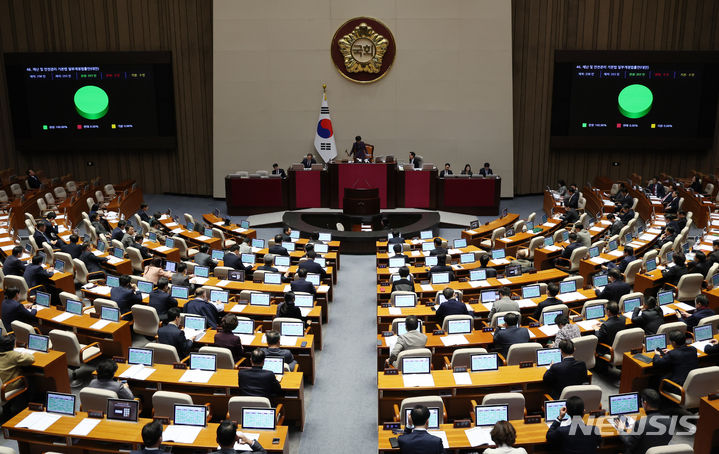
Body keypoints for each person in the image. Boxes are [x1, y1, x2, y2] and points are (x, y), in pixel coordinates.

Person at [619, 388, 673, 454]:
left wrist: (621, 429)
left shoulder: (640, 424)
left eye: (641, 402)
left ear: (645, 403)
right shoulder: (670, 421)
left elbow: (629, 442)